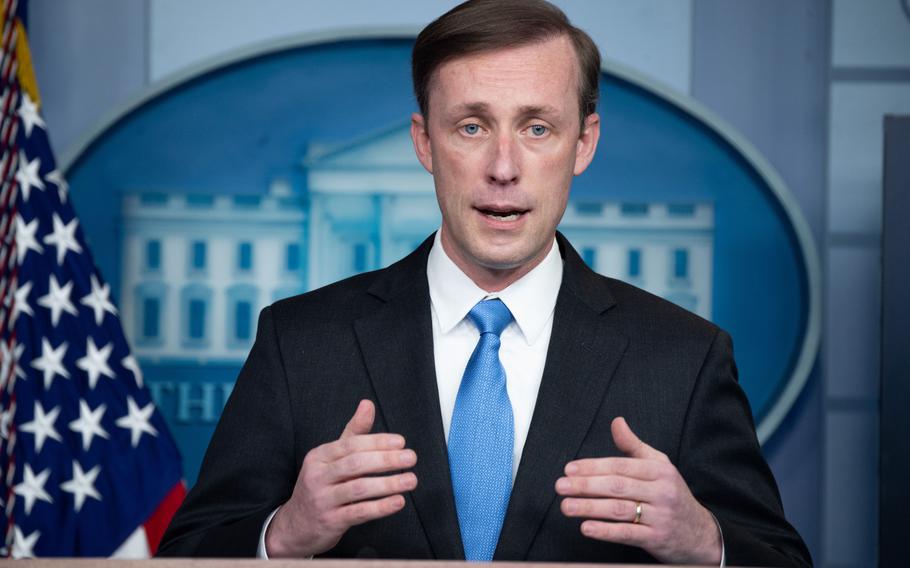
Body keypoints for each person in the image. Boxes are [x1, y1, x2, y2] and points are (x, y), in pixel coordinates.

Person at [157, 1, 811, 565]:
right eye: (472, 126)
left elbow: (780, 560)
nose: (504, 167)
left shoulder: (683, 357)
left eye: (536, 128)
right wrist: (286, 533)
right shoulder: (300, 341)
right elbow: (188, 554)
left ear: (583, 145)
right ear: (425, 143)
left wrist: (703, 541)